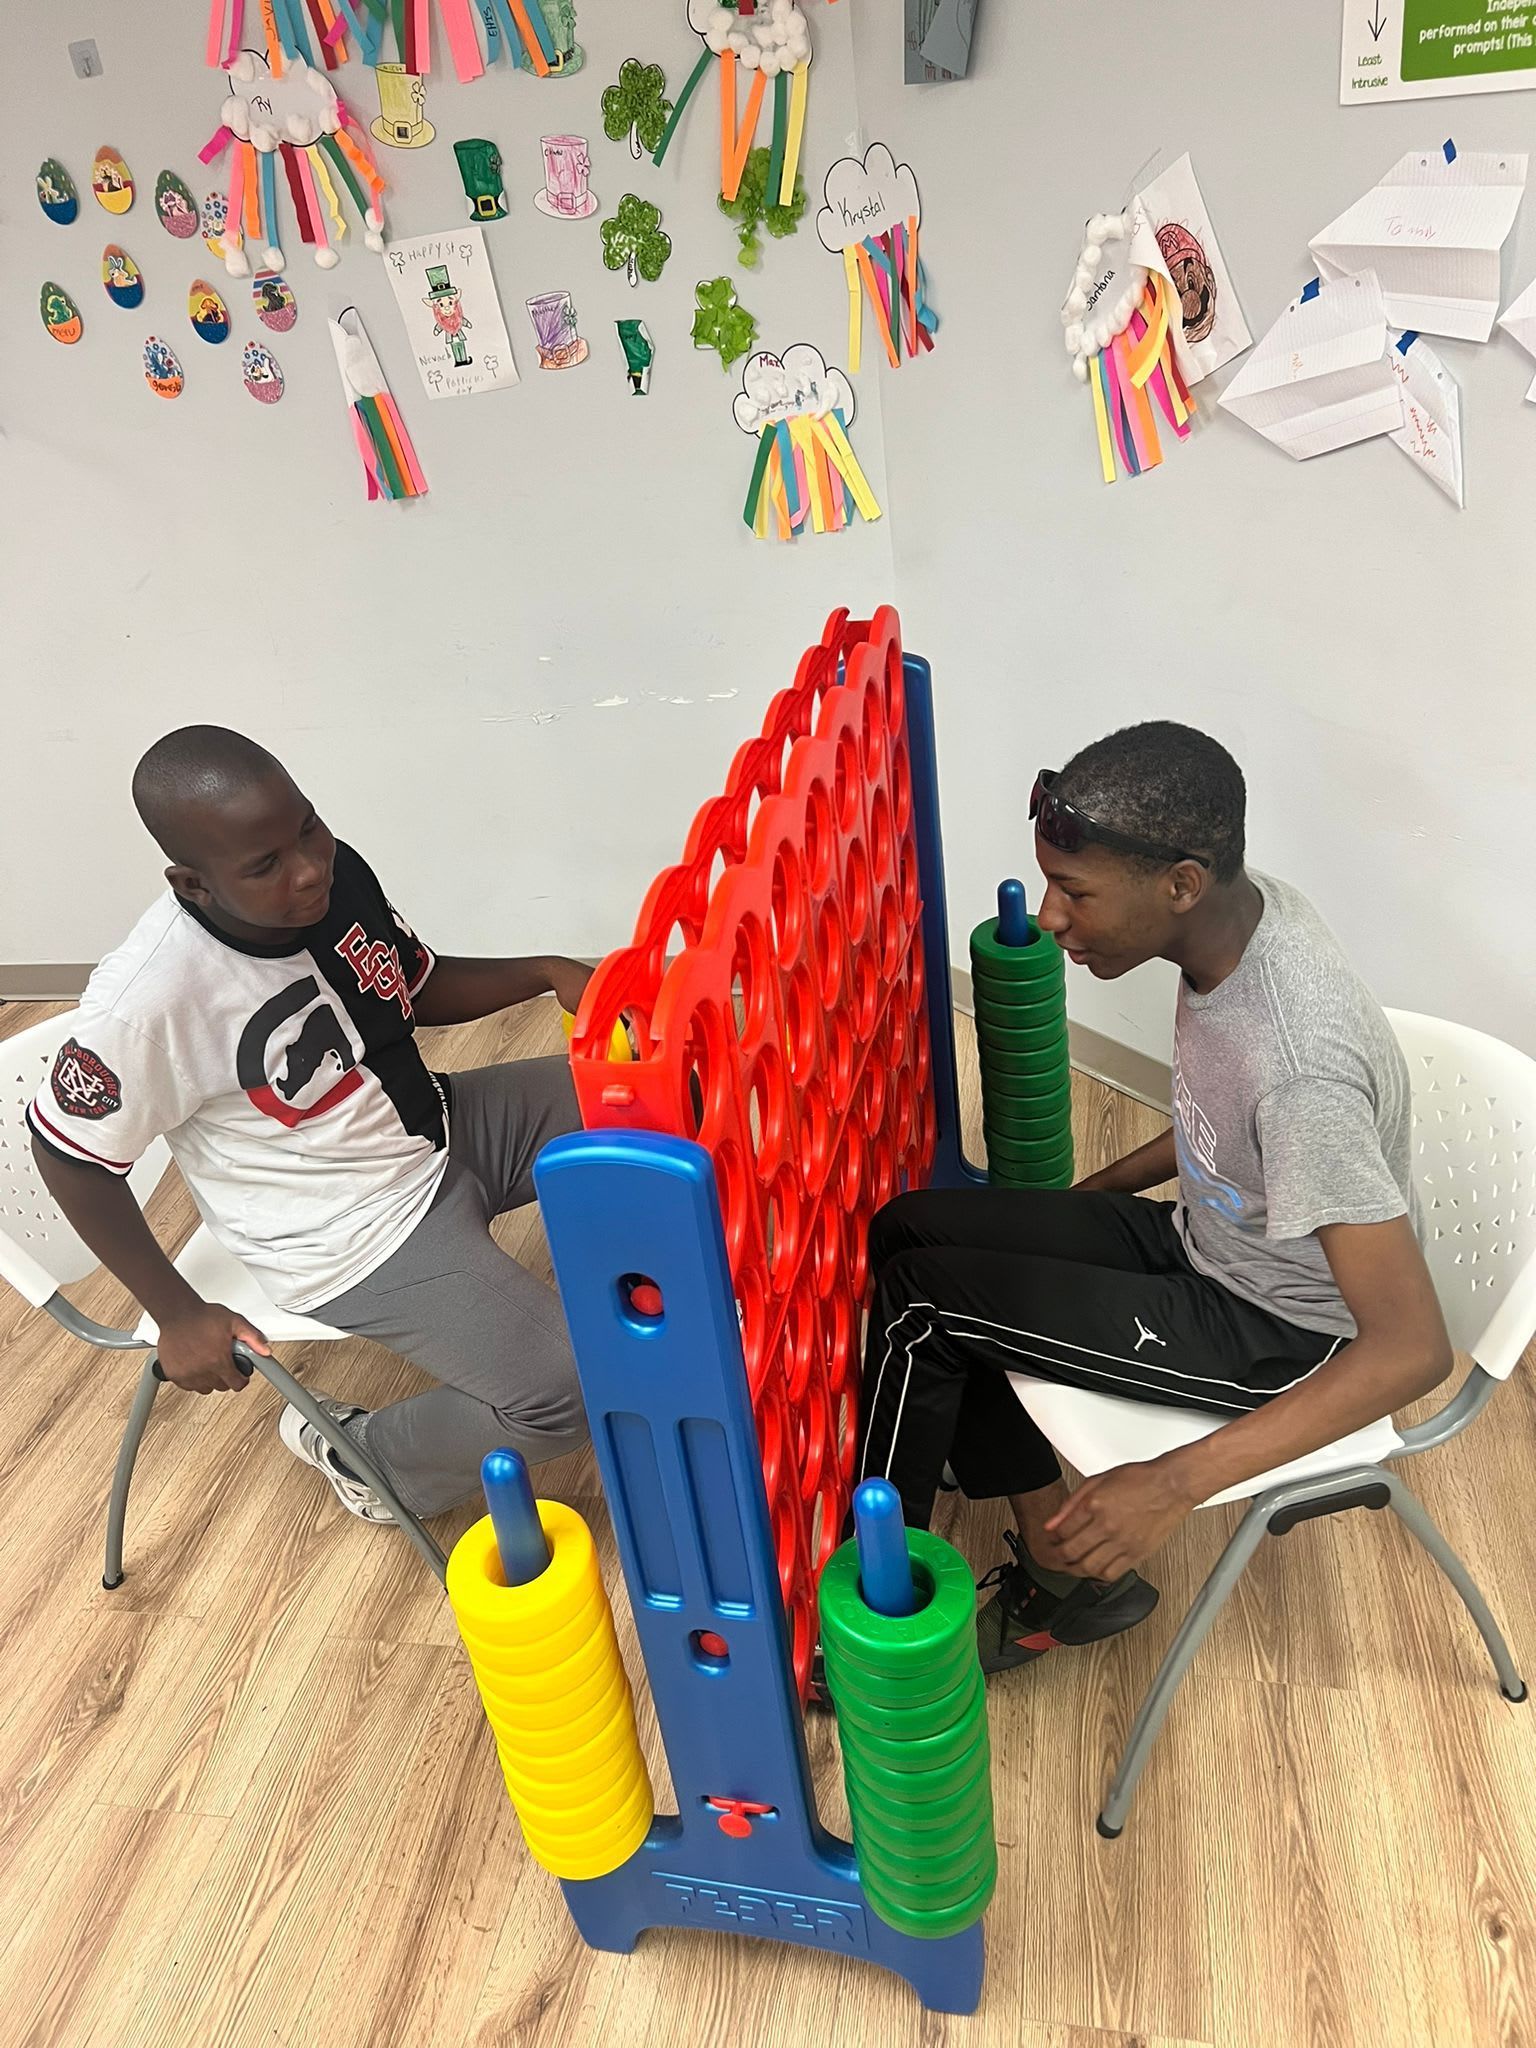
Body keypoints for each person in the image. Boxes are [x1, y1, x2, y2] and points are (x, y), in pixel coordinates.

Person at [856, 721, 1452, 1676]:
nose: (1051, 917)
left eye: (1076, 893)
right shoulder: (1248, 921)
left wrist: (1170, 1485)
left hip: (1281, 1330)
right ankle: (1055, 1541)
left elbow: (1413, 1350)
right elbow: (1227, 1120)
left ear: (1181, 884)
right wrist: (1085, 1209)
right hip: (1209, 1241)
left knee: (925, 1308)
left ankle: (882, 1618)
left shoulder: (1301, 1069)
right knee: (909, 1227)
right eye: (1050, 882)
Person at [30, 726, 592, 1526]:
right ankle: (367, 1458)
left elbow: (411, 986)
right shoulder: (149, 1002)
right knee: (566, 1393)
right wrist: (177, 1311)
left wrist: (546, 972)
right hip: (352, 1232)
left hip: (434, 1125)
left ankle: (646, 1293)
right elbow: (68, 1156)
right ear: (192, 883)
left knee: (657, 1096)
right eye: (264, 866)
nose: (308, 869)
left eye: (308, 828)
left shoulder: (335, 874)